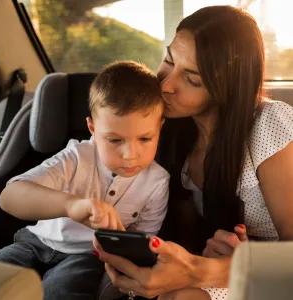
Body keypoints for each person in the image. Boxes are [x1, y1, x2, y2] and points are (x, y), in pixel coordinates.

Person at [94, 5, 293, 300]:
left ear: (226, 86)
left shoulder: (269, 125)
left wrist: (202, 269)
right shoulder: (164, 132)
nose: (166, 85)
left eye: (192, 79)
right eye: (168, 60)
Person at [0, 61, 170, 300]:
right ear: (92, 129)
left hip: (87, 256)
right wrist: (71, 206)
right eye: (115, 140)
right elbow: (9, 197)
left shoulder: (157, 182)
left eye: (145, 138)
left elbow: (145, 245)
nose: (130, 155)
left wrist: (122, 240)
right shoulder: (76, 158)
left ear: (160, 128)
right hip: (34, 242)